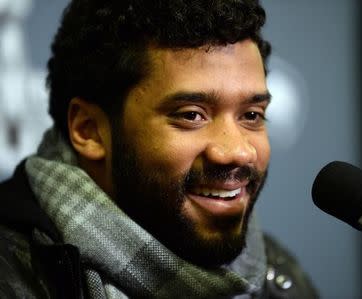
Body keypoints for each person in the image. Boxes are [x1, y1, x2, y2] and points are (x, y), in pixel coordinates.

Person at [0, 0, 318, 298]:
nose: (238, 152)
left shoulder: (277, 271)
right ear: (89, 130)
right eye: (191, 115)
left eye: (251, 116)